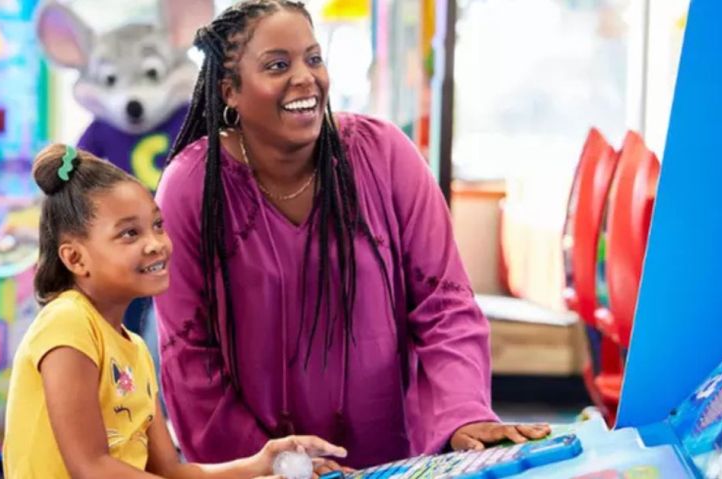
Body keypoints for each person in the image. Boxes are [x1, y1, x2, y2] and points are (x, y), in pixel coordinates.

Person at [155, 0, 552, 471]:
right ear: (230, 92)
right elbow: (189, 354)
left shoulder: (383, 155)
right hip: (266, 469)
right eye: (278, 65)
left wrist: (462, 414)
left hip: (392, 458)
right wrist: (279, 467)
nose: (305, 77)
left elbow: (445, 306)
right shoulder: (192, 187)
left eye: (314, 58)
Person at [2, 144, 346, 479]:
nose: (156, 244)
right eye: (129, 233)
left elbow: (171, 471)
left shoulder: (135, 350)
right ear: (75, 258)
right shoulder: (68, 322)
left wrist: (263, 462)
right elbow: (91, 468)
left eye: (157, 225)